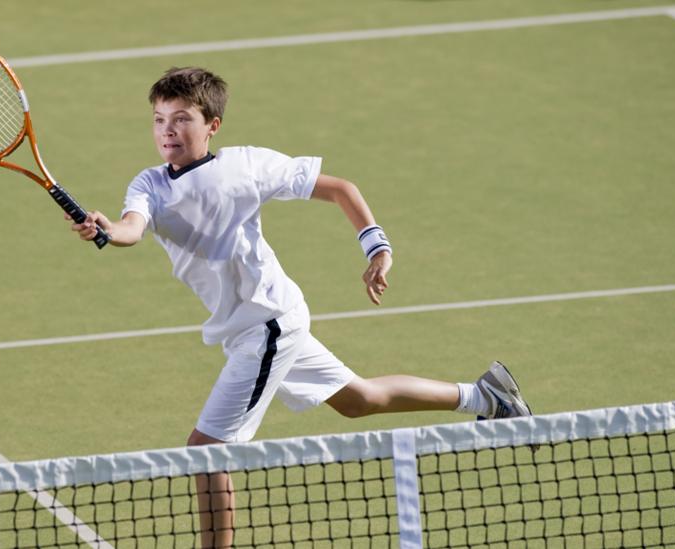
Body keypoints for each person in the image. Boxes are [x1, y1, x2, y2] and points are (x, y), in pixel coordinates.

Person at [67, 66, 532, 547]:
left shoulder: (248, 165)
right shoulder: (149, 185)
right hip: (252, 328)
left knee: (206, 452)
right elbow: (131, 229)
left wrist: (377, 249)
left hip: (269, 325)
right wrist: (104, 229)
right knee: (359, 401)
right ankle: (486, 396)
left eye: (181, 118)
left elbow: (340, 189)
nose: (167, 129)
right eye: (159, 119)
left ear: (212, 126)